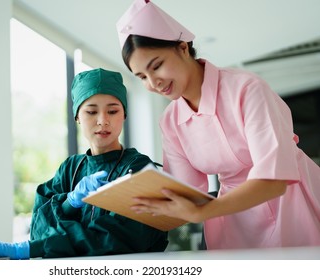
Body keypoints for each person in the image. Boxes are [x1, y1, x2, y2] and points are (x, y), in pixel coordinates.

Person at [116, 0, 320, 249]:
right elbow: (186, 191)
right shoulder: (170, 122)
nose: (153, 82)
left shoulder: (246, 89)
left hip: (291, 201)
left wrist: (206, 211)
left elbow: (275, 180)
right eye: (142, 77)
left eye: (156, 66)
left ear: (182, 48)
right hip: (233, 217)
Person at [0, 68, 168, 259]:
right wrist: (69, 202)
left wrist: (32, 248)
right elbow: (39, 229)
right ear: (77, 117)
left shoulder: (138, 168)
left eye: (112, 111)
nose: (102, 120)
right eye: (91, 111)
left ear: (124, 115)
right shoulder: (70, 169)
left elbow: (119, 238)